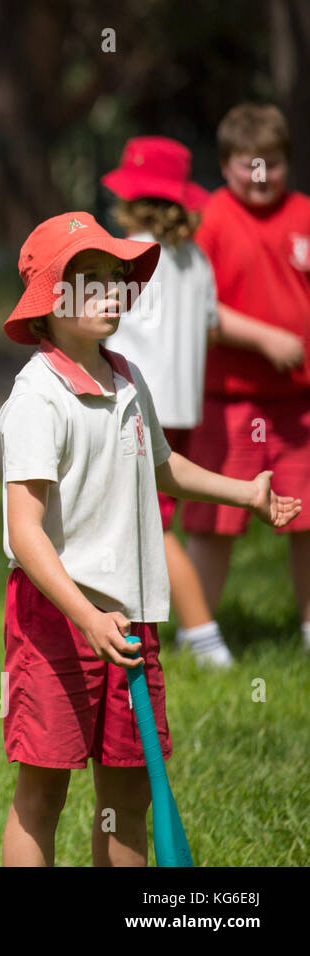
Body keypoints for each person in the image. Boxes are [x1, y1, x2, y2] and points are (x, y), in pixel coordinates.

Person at [0, 211, 300, 866]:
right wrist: (85, 616)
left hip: (133, 623)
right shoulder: (37, 396)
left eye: (116, 278)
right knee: (42, 795)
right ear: (50, 301)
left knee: (129, 797)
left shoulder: (127, 375)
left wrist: (244, 492)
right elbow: (25, 533)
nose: (113, 292)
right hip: (59, 621)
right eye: (92, 280)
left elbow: (164, 467)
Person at [101, 136, 233, 666]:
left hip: (134, 405)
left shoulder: (124, 256)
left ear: (133, 199)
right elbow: (213, 328)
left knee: (152, 525)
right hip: (184, 409)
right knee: (157, 519)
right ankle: (169, 627)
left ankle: (204, 635)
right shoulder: (197, 260)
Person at [183, 104, 310, 653]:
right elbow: (198, 305)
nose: (261, 177)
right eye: (248, 164)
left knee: (306, 518)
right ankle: (199, 632)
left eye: (273, 164)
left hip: (299, 403)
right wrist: (264, 337)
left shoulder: (304, 213)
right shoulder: (210, 219)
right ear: (226, 164)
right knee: (215, 519)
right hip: (228, 401)